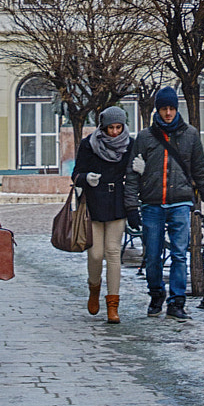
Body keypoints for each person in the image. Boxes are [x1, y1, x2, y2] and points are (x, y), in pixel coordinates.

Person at [125, 86, 204, 321]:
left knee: (178, 253)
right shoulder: (145, 138)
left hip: (180, 203)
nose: (168, 113)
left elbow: (200, 170)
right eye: (164, 108)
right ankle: (156, 293)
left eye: (171, 108)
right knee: (152, 254)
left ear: (177, 109)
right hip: (153, 203)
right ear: (158, 110)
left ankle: (177, 301)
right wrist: (131, 206)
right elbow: (133, 174)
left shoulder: (190, 135)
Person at [72, 106, 133, 323]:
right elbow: (75, 175)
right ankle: (94, 287)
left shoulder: (129, 145)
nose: (115, 132)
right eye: (111, 128)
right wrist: (86, 177)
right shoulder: (89, 145)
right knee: (96, 254)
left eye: (118, 127)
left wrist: (140, 170)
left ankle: (113, 306)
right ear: (103, 127)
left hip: (117, 203)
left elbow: (133, 176)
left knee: (113, 253)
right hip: (94, 204)